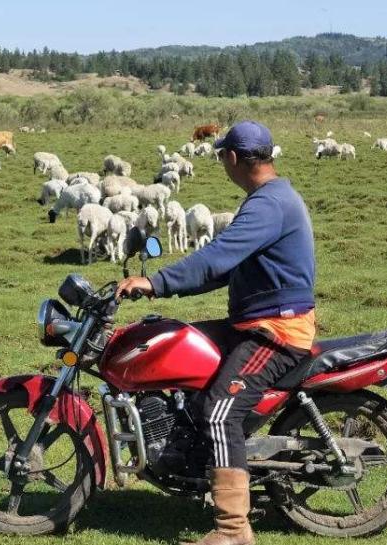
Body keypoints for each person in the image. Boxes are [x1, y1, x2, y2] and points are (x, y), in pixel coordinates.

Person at [116, 121, 316, 545]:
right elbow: (225, 269)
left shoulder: (268, 205)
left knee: (221, 412)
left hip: (276, 331)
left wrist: (156, 282)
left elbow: (217, 257)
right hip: (254, 322)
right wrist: (162, 292)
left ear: (231, 158)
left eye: (223, 155)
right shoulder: (269, 199)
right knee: (175, 345)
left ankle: (233, 531)